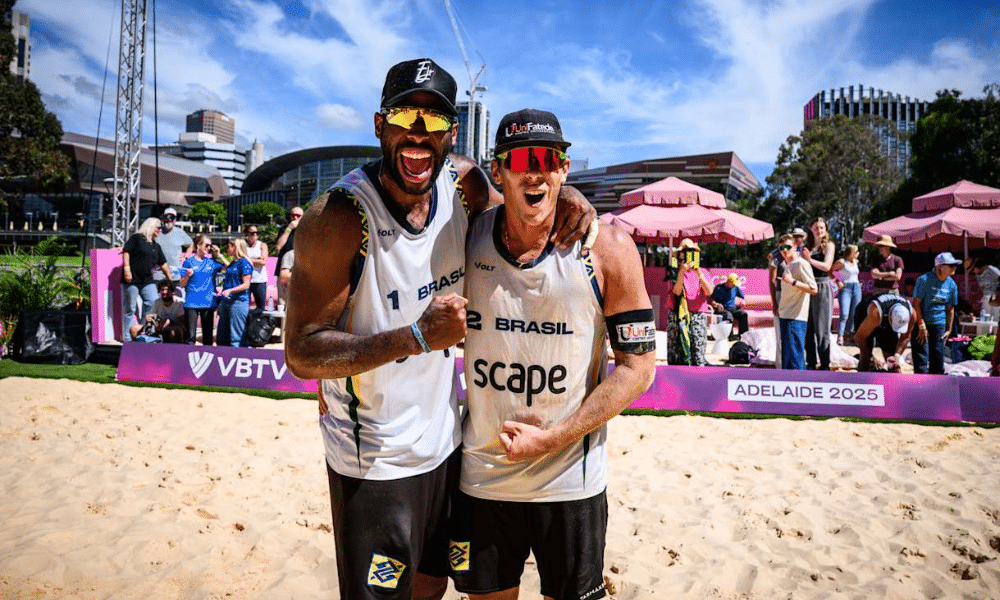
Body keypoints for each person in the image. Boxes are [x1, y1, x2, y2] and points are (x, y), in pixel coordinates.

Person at [282, 58, 595, 600]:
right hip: (375, 461)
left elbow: (521, 209)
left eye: (435, 122)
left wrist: (566, 196)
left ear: (453, 133)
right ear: (379, 124)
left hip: (447, 446)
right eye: (406, 115)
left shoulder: (464, 183)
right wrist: (417, 337)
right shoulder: (338, 217)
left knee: (431, 588)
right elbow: (302, 353)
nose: (419, 135)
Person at [452, 108, 656, 600]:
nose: (536, 170)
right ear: (498, 171)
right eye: (520, 159)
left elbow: (638, 369)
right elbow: (448, 166)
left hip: (571, 479)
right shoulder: (466, 233)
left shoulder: (606, 248)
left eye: (549, 159)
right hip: (482, 476)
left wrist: (552, 439)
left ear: (564, 168)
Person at [121, 217, 171, 342]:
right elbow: (126, 251)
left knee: (152, 304)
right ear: (151, 226)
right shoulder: (137, 238)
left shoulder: (156, 246)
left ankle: (142, 332)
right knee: (130, 309)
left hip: (148, 280)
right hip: (132, 280)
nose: (160, 230)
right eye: (158, 227)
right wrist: (127, 269)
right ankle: (127, 338)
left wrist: (170, 279)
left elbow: (163, 264)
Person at [911, 252, 961, 374]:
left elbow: (950, 309)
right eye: (951, 265)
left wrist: (949, 330)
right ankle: (921, 386)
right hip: (921, 322)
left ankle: (937, 388)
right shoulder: (924, 280)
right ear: (941, 266)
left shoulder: (952, 285)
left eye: (954, 265)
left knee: (938, 359)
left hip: (939, 324)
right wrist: (921, 325)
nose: (955, 268)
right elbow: (916, 304)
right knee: (921, 358)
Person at [667, 238, 713, 366]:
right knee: (676, 351)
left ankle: (698, 380)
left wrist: (699, 273)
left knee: (698, 350)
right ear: (679, 255)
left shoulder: (703, 272)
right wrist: (681, 273)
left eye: (690, 251)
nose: (687, 254)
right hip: (677, 315)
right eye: (684, 251)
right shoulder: (673, 272)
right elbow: (676, 292)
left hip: (697, 314)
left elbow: (709, 291)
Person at [777, 233, 817, 370]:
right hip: (786, 316)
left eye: (787, 247)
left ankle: (800, 386)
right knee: (788, 360)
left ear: (795, 246)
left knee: (795, 360)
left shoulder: (801, 264)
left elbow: (813, 289)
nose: (783, 250)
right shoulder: (788, 265)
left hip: (795, 318)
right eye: (781, 248)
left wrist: (792, 282)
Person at [766, 229, 805, 368]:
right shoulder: (776, 256)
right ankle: (781, 367)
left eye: (801, 237)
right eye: (797, 236)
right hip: (781, 295)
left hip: (798, 296)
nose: (799, 239)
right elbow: (771, 281)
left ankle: (795, 366)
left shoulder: (801, 254)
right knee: (781, 335)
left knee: (796, 334)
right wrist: (774, 303)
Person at [802, 217, 835, 370]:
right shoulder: (806, 246)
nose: (819, 230)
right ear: (810, 229)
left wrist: (809, 260)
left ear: (826, 229)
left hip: (822, 286)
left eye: (821, 227)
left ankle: (825, 363)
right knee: (808, 326)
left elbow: (827, 266)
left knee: (822, 327)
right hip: (807, 286)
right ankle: (811, 361)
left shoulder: (828, 246)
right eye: (816, 227)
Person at [180, 235, 226, 345]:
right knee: (190, 336)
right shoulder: (188, 262)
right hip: (191, 302)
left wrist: (219, 255)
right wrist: (187, 276)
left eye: (210, 246)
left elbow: (230, 268)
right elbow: (182, 284)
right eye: (206, 245)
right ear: (198, 245)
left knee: (207, 336)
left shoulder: (212, 262)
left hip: (208, 302)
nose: (208, 248)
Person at [853, 293, 915, 372]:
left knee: (893, 362)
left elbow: (905, 337)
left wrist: (897, 356)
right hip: (865, 315)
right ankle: (862, 380)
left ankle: (895, 382)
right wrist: (871, 357)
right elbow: (859, 337)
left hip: (885, 316)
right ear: (890, 318)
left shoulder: (912, 314)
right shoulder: (875, 313)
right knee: (865, 358)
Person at [216, 236, 253, 347]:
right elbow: (230, 268)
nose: (227, 248)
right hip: (227, 301)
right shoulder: (234, 263)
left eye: (229, 246)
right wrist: (220, 256)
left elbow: (246, 284)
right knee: (223, 335)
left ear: (235, 247)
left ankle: (238, 356)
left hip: (238, 301)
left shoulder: (244, 263)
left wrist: (230, 290)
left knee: (236, 336)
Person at [154, 207, 193, 287]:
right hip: (158, 275)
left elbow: (191, 244)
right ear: (162, 218)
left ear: (175, 220)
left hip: (174, 275)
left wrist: (185, 256)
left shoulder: (180, 232)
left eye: (172, 218)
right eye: (166, 217)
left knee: (174, 298)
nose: (169, 220)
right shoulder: (156, 231)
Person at [833, 244, 862, 345]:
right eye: (856, 251)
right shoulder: (842, 262)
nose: (858, 253)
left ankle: (849, 333)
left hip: (856, 286)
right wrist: (838, 280)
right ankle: (840, 334)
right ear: (851, 252)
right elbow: (832, 270)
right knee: (844, 313)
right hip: (846, 287)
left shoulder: (855, 262)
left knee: (854, 312)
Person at [709, 272, 748, 339]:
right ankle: (730, 336)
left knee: (743, 314)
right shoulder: (719, 288)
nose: (733, 285)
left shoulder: (736, 288)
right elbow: (712, 301)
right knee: (728, 315)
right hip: (722, 309)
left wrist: (744, 301)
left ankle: (743, 335)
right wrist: (717, 304)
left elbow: (743, 297)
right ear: (729, 281)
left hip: (733, 308)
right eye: (732, 283)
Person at [965, 254, 1000, 321]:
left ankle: (996, 331)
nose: (973, 272)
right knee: (984, 317)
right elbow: (982, 287)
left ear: (977, 266)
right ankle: (986, 331)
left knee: (996, 318)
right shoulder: (977, 275)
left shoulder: (990, 269)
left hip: (996, 296)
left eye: (973, 270)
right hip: (986, 297)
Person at [244, 223, 269, 310]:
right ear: (246, 234)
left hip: (259, 280)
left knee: (260, 306)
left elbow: (263, 262)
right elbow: (239, 259)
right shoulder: (243, 246)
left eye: (256, 233)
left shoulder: (262, 245)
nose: (254, 235)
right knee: (244, 305)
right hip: (246, 279)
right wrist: (257, 259)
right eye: (252, 233)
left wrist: (247, 259)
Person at [273, 206, 303, 278]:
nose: (295, 218)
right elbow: (278, 246)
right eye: (293, 215)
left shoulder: (307, 229)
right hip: (285, 265)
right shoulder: (284, 228)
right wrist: (289, 229)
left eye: (298, 216)